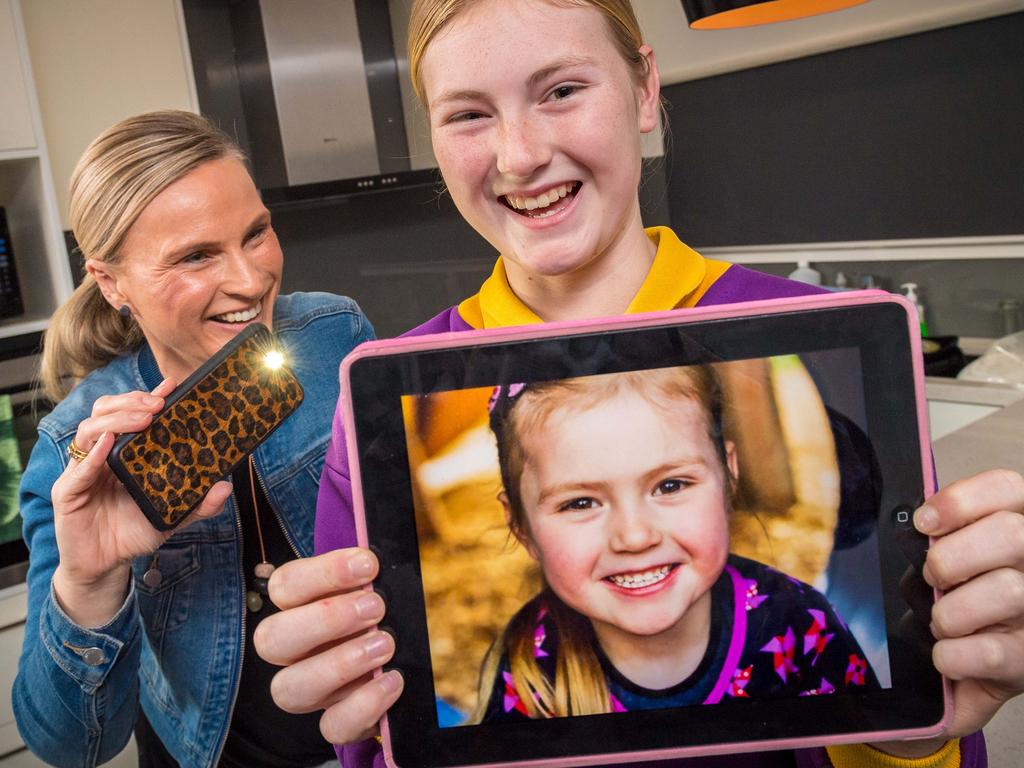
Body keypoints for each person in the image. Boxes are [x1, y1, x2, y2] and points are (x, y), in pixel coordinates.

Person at [255, 1, 1024, 767]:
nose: (519, 155)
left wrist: (917, 738)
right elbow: (386, 745)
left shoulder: (829, 340)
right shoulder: (383, 409)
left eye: (561, 90)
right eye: (467, 114)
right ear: (516, 519)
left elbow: (918, 723)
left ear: (645, 89)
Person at [14, 111, 373, 768]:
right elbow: (70, 746)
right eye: (197, 256)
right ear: (111, 282)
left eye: (256, 233)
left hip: (380, 739)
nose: (251, 280)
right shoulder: (72, 450)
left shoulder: (333, 331)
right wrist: (91, 582)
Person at [479, 367, 878, 722]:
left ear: (728, 475)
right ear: (521, 526)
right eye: (580, 503)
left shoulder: (798, 622)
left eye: (670, 485)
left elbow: (868, 745)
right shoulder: (529, 667)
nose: (635, 537)